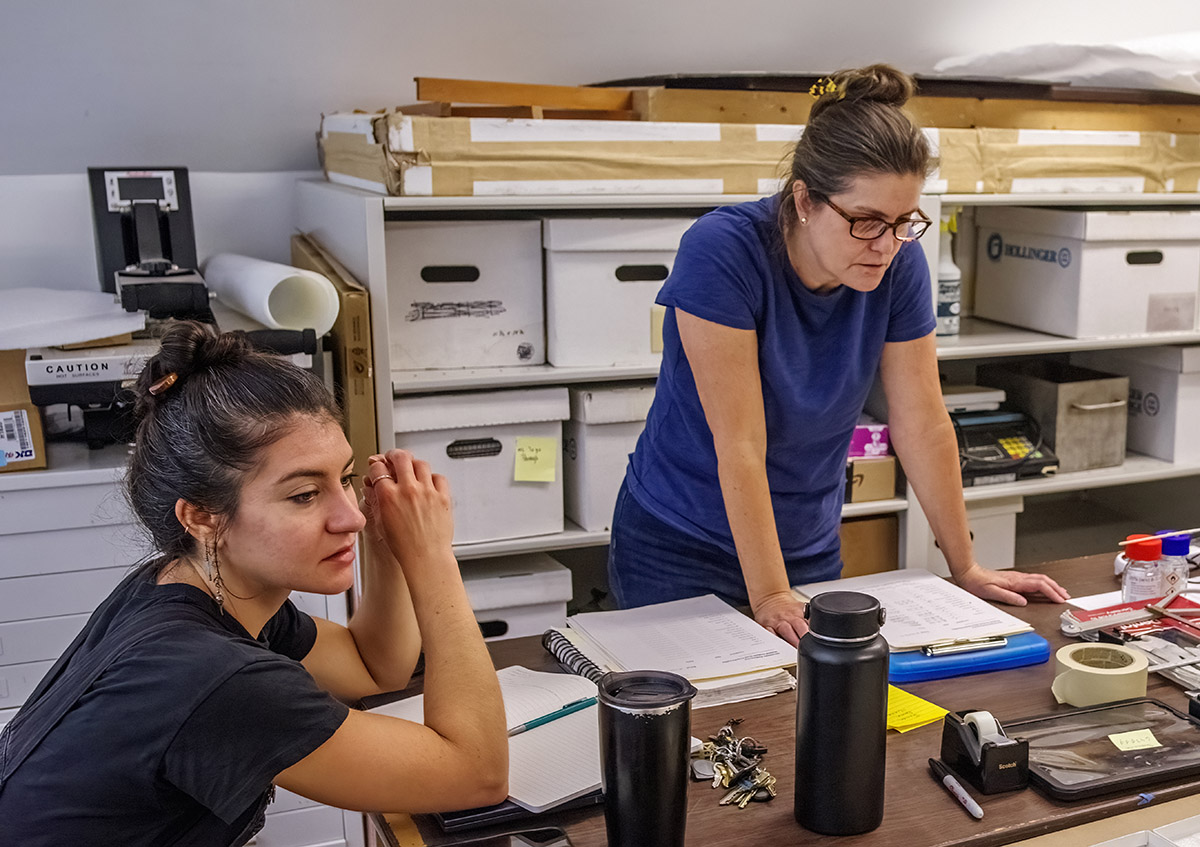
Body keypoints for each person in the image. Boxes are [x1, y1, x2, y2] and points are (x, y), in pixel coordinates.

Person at [608, 64, 1070, 646]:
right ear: (804, 199)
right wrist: (772, 594)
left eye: (904, 222)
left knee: (810, 718)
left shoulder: (897, 262)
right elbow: (741, 444)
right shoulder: (724, 251)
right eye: (866, 222)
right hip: (681, 541)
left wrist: (966, 567)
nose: (886, 244)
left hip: (807, 540)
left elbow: (923, 423)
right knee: (695, 727)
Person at [0, 322, 508, 846]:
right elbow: (478, 774)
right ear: (202, 517)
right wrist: (432, 558)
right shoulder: (211, 675)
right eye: (305, 495)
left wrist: (385, 543)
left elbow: (373, 665)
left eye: (347, 479)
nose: (349, 516)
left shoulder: (195, 589)